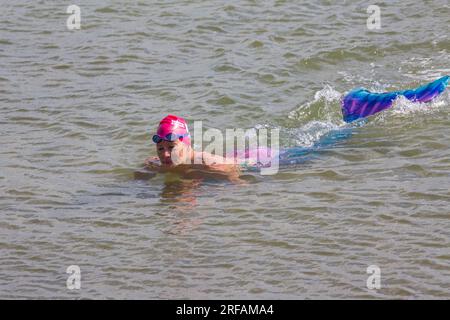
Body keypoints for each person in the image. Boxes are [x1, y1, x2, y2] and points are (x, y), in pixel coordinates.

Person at [144, 115, 243, 182]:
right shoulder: (156, 164)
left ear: (186, 144)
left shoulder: (208, 164)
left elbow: (239, 184)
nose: (165, 154)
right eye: (160, 149)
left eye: (171, 147)